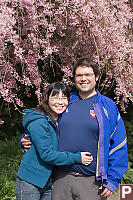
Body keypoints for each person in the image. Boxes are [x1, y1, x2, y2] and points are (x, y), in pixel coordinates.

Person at [21, 58, 128, 200]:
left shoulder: (107, 106)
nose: (83, 79)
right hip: (60, 179)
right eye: (79, 75)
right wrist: (26, 137)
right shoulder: (64, 101)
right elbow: (41, 122)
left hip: (91, 182)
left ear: (96, 77)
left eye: (88, 75)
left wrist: (113, 179)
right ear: (74, 78)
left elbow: (119, 143)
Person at [15, 82, 93, 200]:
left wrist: (24, 137)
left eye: (63, 98)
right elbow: (47, 155)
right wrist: (77, 158)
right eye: (55, 98)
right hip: (30, 182)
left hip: (48, 181)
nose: (60, 102)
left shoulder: (60, 119)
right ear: (47, 99)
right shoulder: (39, 122)